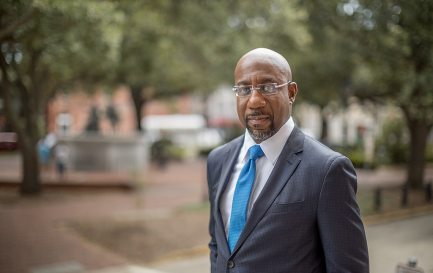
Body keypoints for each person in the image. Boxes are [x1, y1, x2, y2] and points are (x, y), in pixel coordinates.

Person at [207, 48, 369, 273]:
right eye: (244, 89)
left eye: (268, 87)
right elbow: (218, 246)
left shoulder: (327, 170)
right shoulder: (218, 160)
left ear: (291, 92)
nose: (254, 101)